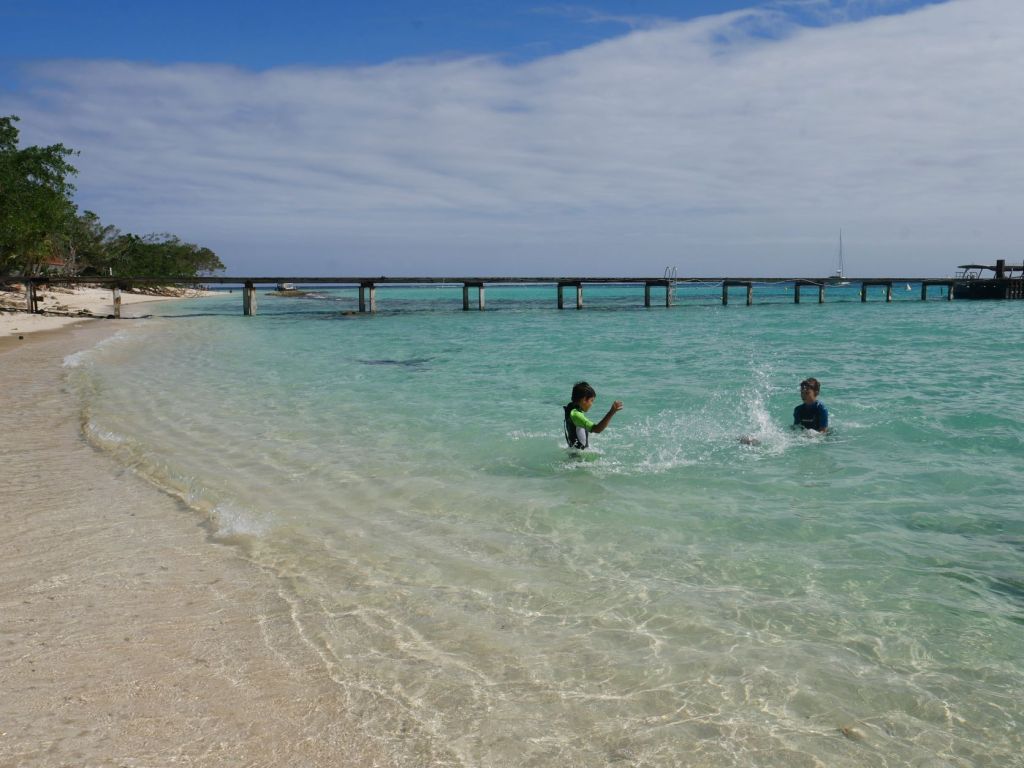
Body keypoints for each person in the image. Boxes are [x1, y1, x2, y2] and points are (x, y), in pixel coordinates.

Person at [563, 381, 623, 449]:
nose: (592, 404)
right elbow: (597, 429)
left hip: (574, 452)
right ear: (584, 399)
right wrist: (611, 412)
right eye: (591, 400)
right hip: (579, 455)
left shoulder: (571, 408)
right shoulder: (576, 415)